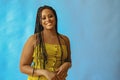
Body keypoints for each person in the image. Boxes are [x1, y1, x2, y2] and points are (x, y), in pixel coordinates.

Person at [20, 5, 72, 80]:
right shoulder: (34, 39)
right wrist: (45, 72)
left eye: (50, 16)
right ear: (40, 22)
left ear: (55, 18)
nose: (48, 20)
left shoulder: (65, 40)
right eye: (43, 18)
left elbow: (68, 61)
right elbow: (23, 67)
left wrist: (67, 65)